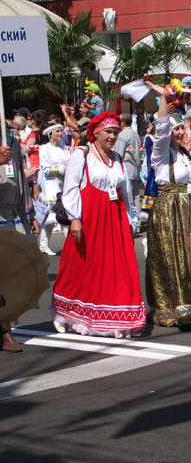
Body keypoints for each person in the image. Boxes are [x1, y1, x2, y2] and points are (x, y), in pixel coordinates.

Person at [51, 112, 145, 337]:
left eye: (115, 132)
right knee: (82, 265)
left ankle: (116, 315)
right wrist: (75, 217)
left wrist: (131, 219)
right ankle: (68, 311)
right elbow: (71, 187)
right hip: (90, 218)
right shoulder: (82, 154)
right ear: (95, 133)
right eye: (108, 132)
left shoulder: (118, 159)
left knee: (118, 268)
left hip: (115, 217)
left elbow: (126, 192)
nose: (112, 136)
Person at [144, 82, 191, 328]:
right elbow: (162, 131)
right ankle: (176, 308)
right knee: (173, 258)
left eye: (180, 129)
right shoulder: (161, 153)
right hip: (169, 207)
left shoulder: (185, 155)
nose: (178, 133)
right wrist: (163, 98)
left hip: (187, 208)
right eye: (175, 130)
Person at [0, 132, 38, 352]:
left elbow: (21, 180)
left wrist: (29, 213)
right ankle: (5, 332)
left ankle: (6, 329)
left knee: (10, 277)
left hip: (13, 214)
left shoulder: (10, 139)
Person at [36, 123, 70, 255]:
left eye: (61, 132)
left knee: (64, 217)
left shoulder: (64, 148)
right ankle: (44, 245)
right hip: (51, 186)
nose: (60, 134)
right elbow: (45, 169)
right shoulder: (45, 149)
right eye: (57, 132)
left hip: (64, 186)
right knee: (52, 219)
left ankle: (71, 245)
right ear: (50, 134)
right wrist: (62, 168)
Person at [113, 113, 142, 216]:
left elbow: (118, 154)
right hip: (135, 168)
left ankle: (131, 219)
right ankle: (137, 220)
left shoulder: (122, 135)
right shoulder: (136, 134)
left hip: (126, 168)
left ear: (123, 123)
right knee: (136, 196)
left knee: (128, 196)